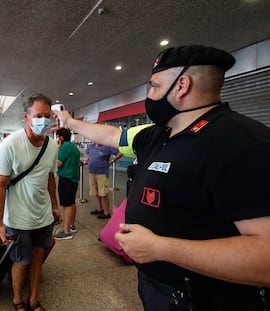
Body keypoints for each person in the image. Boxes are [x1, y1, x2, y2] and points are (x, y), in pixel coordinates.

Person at [53, 45, 270, 310]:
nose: (150, 95)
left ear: (182, 85)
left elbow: (266, 257)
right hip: (156, 289)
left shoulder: (240, 143)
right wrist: (69, 122)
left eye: (154, 86)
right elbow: (111, 136)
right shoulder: (157, 134)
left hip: (203, 299)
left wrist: (160, 248)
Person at [0, 93, 61, 311]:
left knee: (38, 258)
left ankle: (33, 299)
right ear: (26, 117)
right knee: (22, 261)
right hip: (18, 217)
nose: (44, 120)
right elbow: (0, 186)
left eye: (47, 116)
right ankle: (17, 300)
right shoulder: (9, 145)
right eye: (38, 115)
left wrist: (54, 205)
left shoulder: (51, 146)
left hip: (43, 215)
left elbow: (50, 178)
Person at [53, 128, 81, 240]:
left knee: (67, 205)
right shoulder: (73, 147)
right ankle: (71, 225)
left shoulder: (65, 147)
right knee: (71, 202)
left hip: (66, 178)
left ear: (61, 138)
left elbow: (58, 163)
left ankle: (66, 231)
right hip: (73, 179)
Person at [85, 143, 122, 219]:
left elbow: (121, 152)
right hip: (92, 172)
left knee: (103, 193)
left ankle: (106, 212)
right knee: (96, 192)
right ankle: (99, 209)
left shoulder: (107, 146)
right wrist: (90, 158)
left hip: (102, 173)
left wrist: (112, 160)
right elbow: (86, 152)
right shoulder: (91, 146)